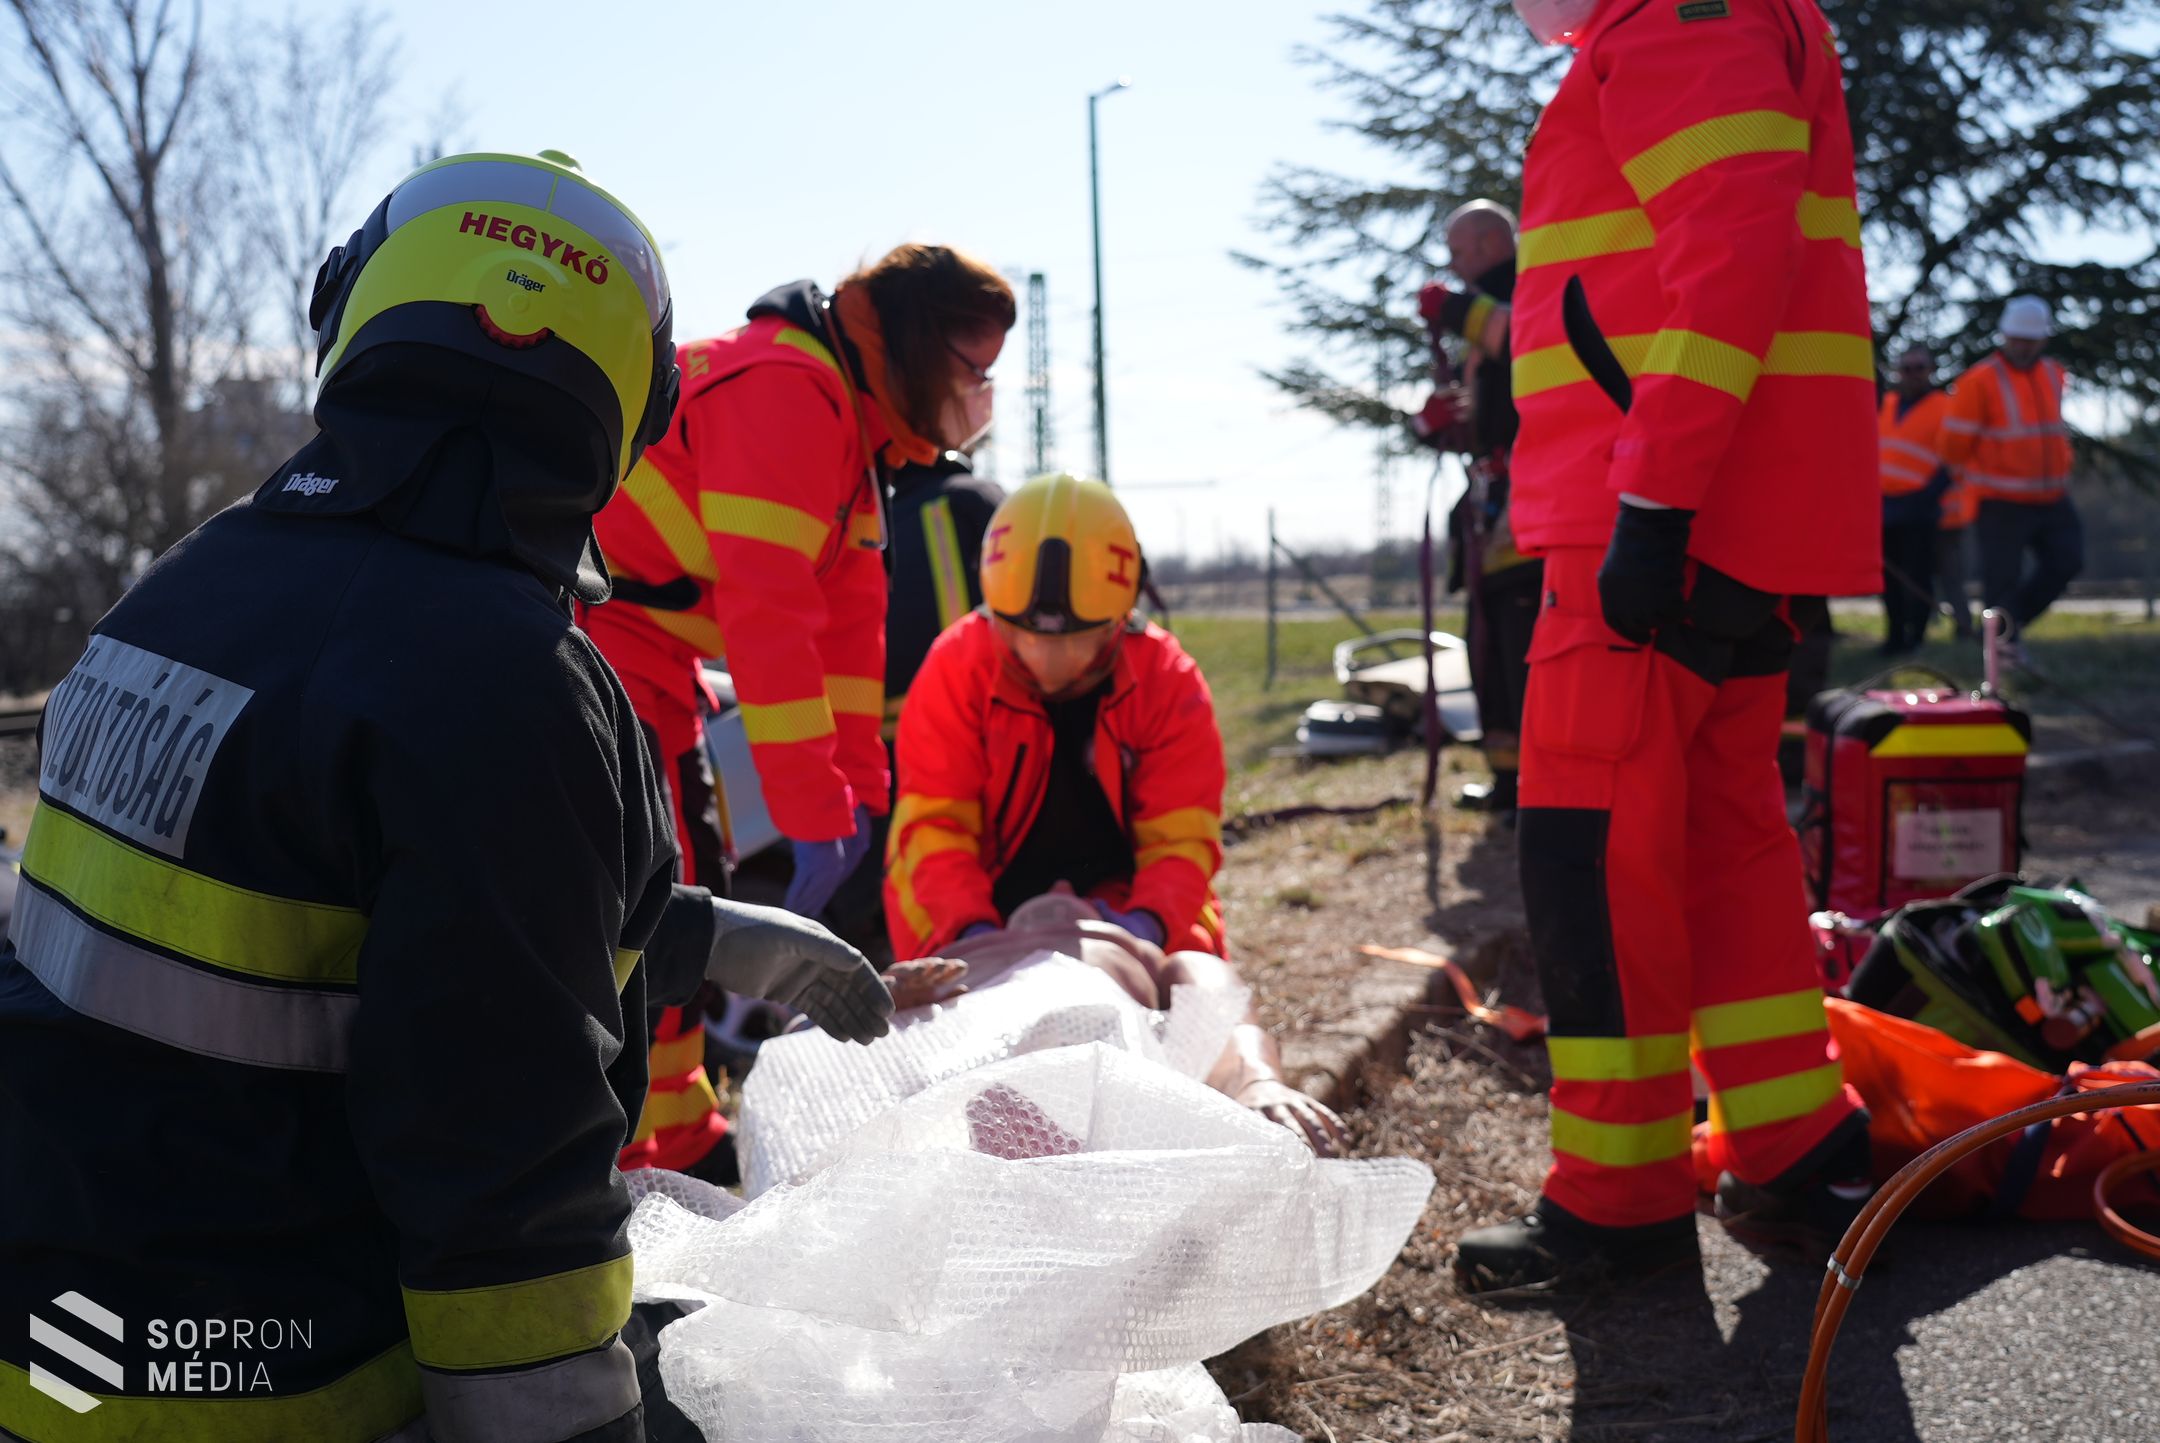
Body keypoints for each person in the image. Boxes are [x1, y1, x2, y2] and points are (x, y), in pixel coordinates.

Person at [0, 151, 890, 1443]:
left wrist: (699, 933)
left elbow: (339, 902)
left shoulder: (194, 588)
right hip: (277, 1384)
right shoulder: (509, 682)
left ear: (348, 318)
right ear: (631, 423)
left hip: (61, 1340)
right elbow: (501, 1167)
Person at [1456, 0, 1878, 1292]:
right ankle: (1794, 1139)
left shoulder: (1678, 27)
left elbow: (1728, 257)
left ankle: (1621, 1195)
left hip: (1658, 522)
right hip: (1731, 524)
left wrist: (1652, 500)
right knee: (1721, 837)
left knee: (1594, 850)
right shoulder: (1723, 23)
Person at [584, 245, 1015, 1172]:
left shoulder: (853, 438)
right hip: (600, 640)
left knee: (674, 882)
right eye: (971, 369)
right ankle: (627, 1155)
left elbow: (847, 641)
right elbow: (768, 618)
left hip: (652, 658)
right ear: (911, 344)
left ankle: (682, 1135)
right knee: (652, 897)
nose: (980, 394)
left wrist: (857, 796)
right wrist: (811, 815)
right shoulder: (787, 390)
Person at [885, 474, 1228, 961]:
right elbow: (935, 832)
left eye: (1076, 641)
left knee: (1195, 979)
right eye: (1021, 635)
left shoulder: (1167, 680)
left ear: (1120, 618)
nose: (1046, 664)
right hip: (975, 907)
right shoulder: (956, 668)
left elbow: (1181, 841)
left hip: (1130, 901)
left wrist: (1143, 930)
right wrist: (975, 940)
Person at [884, 890, 1346, 1154]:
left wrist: (1254, 1076)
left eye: (1074, 889)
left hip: (1089, 1037)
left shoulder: (1131, 952)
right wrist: (896, 998)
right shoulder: (962, 954)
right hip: (970, 1039)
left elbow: (1207, 984)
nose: (1060, 882)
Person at [1416, 199, 1541, 820]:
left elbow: (1524, 340)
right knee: (1486, 652)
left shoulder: (1532, 288)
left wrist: (1456, 309)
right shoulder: (1478, 323)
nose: (1454, 264)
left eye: (1461, 250)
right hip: (1489, 513)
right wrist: (1431, 424)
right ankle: (1509, 781)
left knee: (1522, 653)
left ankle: (1540, 786)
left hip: (1531, 513)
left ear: (1493, 243)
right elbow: (1479, 416)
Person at [1937, 296, 2080, 650]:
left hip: (2052, 498)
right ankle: (2003, 647)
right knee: (2000, 581)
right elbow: (1953, 447)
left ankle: (2004, 629)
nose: (2022, 346)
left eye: (2029, 340)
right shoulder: (1978, 381)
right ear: (2004, 336)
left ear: (2043, 340)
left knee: (2067, 562)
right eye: (2016, 338)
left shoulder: (2054, 373)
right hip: (2000, 501)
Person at [1877, 346, 1955, 654]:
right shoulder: (1887, 404)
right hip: (1885, 506)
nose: (1913, 373)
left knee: (1918, 576)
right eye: (1907, 368)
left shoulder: (1944, 406)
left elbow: (1953, 458)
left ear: (1930, 370)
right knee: (1889, 578)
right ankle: (1894, 636)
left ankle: (1917, 638)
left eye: (1919, 367)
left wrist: (1930, 494)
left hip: (1921, 506)